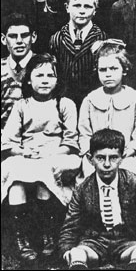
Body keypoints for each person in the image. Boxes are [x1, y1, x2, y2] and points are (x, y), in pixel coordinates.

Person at [1, 54, 81, 262]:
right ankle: (23, 238)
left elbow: (71, 141)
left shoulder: (64, 104)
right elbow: (9, 142)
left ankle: (48, 234)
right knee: (16, 179)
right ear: (29, 79)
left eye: (50, 75)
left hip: (56, 155)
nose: (45, 80)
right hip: (26, 156)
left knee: (45, 176)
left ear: (57, 80)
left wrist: (51, 153)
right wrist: (24, 152)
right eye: (39, 75)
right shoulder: (21, 105)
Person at [58, 129, 136, 271]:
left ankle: (135, 266)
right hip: (95, 241)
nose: (107, 164)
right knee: (77, 253)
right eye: (101, 158)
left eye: (113, 158)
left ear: (122, 158)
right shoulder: (83, 188)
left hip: (125, 240)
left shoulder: (135, 182)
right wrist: (67, 250)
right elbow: (70, 225)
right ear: (91, 159)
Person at [78, 40, 136, 177]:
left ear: (124, 70)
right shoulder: (90, 100)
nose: (108, 74)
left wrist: (126, 153)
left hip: (127, 156)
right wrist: (93, 154)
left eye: (113, 68)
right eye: (103, 70)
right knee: (92, 173)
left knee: (126, 173)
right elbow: (84, 134)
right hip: (96, 157)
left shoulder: (135, 100)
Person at [49, 0, 107, 107]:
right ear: (67, 7)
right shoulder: (57, 39)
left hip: (94, 102)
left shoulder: (102, 39)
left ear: (95, 10)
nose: (81, 11)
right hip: (64, 102)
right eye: (76, 5)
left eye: (87, 6)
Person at [1, 13, 37, 130]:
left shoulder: (46, 67)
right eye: (13, 36)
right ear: (3, 39)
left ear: (34, 37)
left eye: (25, 35)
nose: (19, 41)